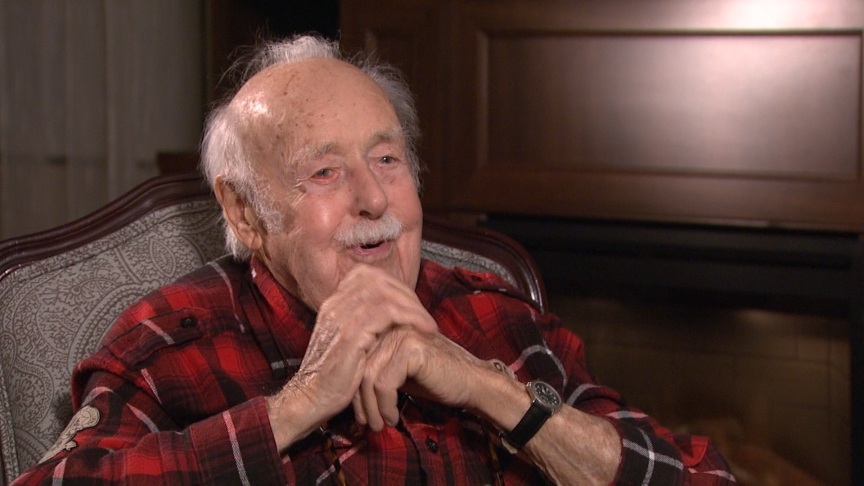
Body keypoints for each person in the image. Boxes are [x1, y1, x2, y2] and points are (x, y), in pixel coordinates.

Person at [14, 35, 734, 485]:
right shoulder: (172, 342)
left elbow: (702, 476)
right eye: (324, 172)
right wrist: (297, 407)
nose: (372, 198)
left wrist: (490, 391)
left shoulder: (496, 315)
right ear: (244, 212)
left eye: (387, 159)